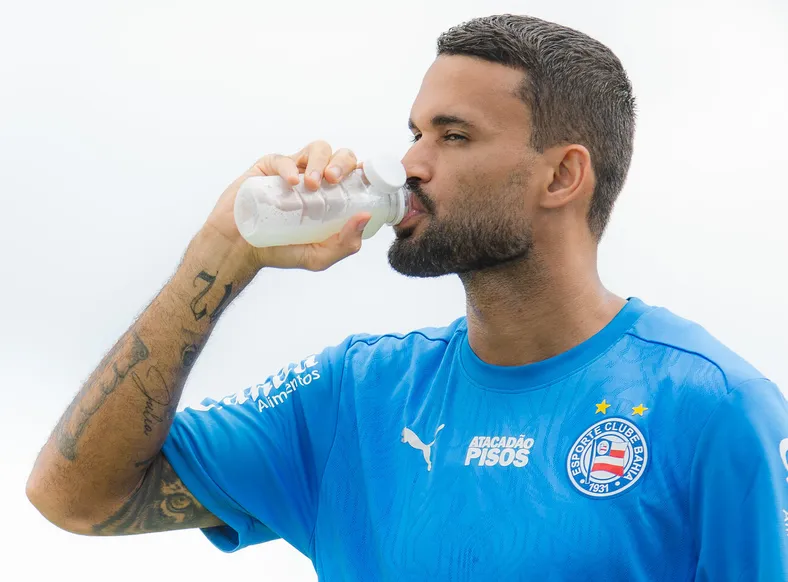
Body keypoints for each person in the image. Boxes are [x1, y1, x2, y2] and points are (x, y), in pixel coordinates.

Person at [26, 13, 788, 582]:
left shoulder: (713, 407)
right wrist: (221, 253)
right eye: (414, 132)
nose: (410, 164)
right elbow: (76, 497)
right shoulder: (354, 395)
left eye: (452, 137)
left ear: (562, 176)